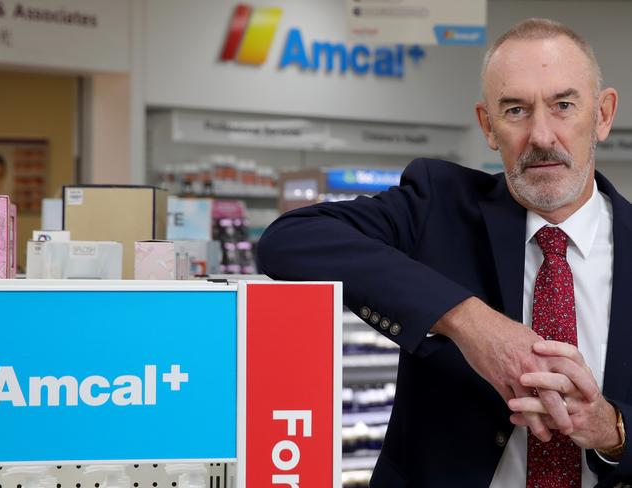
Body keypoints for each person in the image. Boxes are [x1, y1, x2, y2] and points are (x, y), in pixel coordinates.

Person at [257, 18, 632, 488]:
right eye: (515, 110)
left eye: (563, 105)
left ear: (602, 115)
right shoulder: (438, 205)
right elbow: (290, 240)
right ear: (487, 126)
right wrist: (469, 321)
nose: (541, 136)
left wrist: (613, 430)